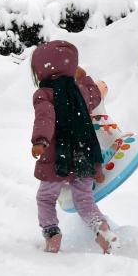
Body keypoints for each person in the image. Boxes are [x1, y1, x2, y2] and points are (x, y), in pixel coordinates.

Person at [30, 40, 117, 254]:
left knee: (46, 198)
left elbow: (45, 117)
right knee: (84, 199)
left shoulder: (44, 94)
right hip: (84, 154)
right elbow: (96, 96)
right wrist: (84, 78)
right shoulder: (80, 91)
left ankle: (52, 233)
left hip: (57, 157)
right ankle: (102, 229)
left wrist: (40, 141)